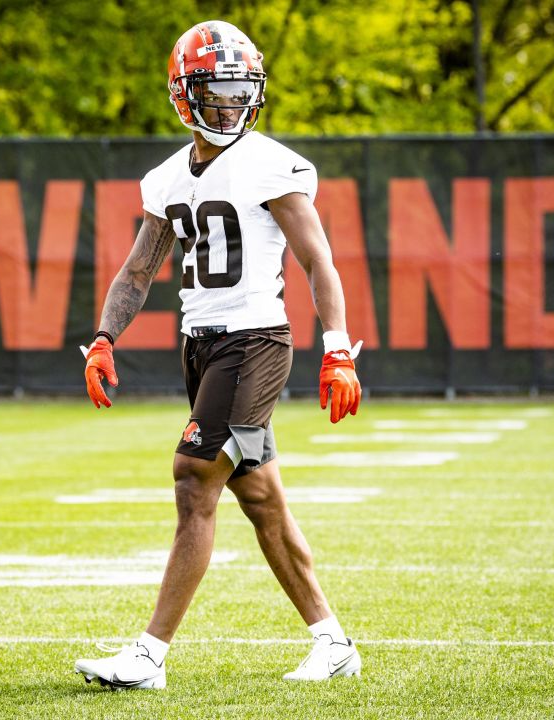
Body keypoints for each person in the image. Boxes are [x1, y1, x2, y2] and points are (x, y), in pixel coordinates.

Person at [74, 20, 364, 690]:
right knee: (259, 498)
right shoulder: (167, 177)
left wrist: (338, 347)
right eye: (217, 92)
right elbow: (138, 269)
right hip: (200, 346)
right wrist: (102, 338)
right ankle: (333, 642)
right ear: (185, 96)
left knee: (192, 477)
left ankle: (148, 657)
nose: (231, 105)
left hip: (254, 342)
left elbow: (317, 258)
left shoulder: (269, 162)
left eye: (240, 92)